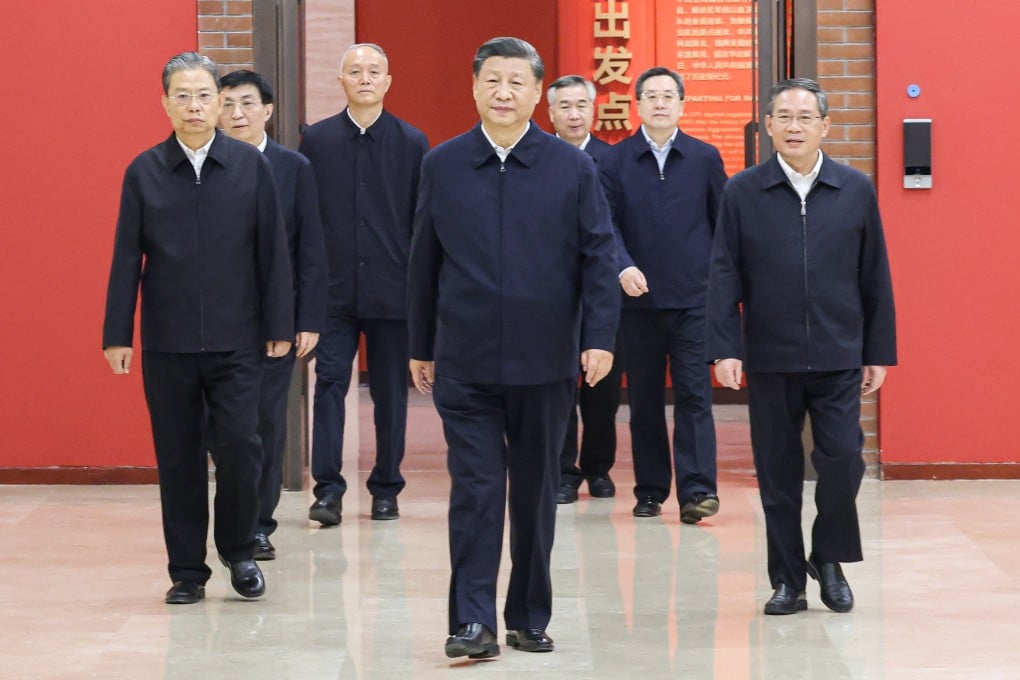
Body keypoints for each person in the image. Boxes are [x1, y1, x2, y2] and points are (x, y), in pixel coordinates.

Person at [407, 37, 619, 659]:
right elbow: (424, 261)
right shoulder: (442, 164)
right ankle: (472, 622)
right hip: (466, 361)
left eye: (516, 82)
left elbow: (599, 254)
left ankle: (527, 614)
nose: (503, 93)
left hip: (545, 359)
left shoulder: (571, 167)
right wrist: (422, 343)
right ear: (474, 87)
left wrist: (598, 337)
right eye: (491, 80)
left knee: (533, 493)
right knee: (474, 489)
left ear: (537, 94)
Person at [102, 52, 294, 604]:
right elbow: (125, 257)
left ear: (220, 102)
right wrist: (119, 333)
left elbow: (272, 252)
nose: (194, 106)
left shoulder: (251, 167)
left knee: (240, 446)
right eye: (182, 95)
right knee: (179, 457)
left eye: (205, 95)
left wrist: (280, 321)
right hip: (169, 342)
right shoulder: (144, 171)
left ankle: (238, 551)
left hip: (238, 341)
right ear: (165, 102)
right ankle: (187, 570)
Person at [705, 78, 896, 615]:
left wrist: (877, 350)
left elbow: (875, 274)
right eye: (783, 117)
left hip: (838, 353)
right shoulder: (742, 191)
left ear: (825, 127)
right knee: (778, 472)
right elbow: (723, 273)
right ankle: (787, 578)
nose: (794, 126)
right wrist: (723, 348)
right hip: (769, 354)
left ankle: (828, 555)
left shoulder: (855, 189)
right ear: (767, 125)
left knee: (843, 460)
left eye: (805, 117)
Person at [298, 43, 429, 524]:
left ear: (389, 81)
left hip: (393, 292)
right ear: (342, 82)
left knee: (392, 392)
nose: (366, 78)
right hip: (333, 293)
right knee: (329, 385)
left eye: (375, 71)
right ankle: (328, 490)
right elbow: (305, 220)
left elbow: (423, 223)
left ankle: (386, 488)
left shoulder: (413, 142)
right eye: (355, 71)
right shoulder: (317, 141)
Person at [599, 67, 727, 523]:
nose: (659, 103)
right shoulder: (614, 161)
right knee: (646, 401)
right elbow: (604, 225)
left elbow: (722, 226)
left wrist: (719, 286)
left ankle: (698, 491)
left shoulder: (704, 158)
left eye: (668, 95)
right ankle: (651, 489)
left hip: (694, 300)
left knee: (696, 396)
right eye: (650, 95)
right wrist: (623, 265)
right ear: (637, 105)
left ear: (682, 104)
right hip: (638, 303)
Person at [218, 69, 328, 560]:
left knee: (263, 424)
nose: (236, 114)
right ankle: (232, 518)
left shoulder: (294, 167)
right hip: (218, 319)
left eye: (246, 104)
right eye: (227, 104)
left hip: (273, 322)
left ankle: (258, 524)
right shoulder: (209, 165)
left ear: (267, 110)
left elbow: (311, 249)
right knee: (224, 429)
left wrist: (305, 318)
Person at [546, 75, 622, 505]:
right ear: (551, 112)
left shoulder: (612, 160)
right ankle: (563, 470)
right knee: (559, 387)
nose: (574, 114)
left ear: (592, 111)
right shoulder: (541, 157)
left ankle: (598, 468)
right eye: (565, 106)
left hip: (602, 290)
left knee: (602, 390)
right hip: (555, 293)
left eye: (581, 106)